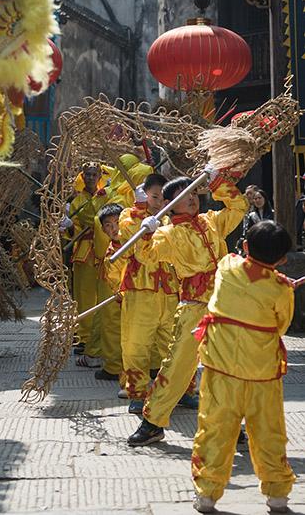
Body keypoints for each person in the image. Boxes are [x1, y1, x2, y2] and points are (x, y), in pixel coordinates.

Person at [127, 165, 248, 446]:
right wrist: (146, 231)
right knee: (177, 366)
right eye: (183, 195)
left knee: (228, 365)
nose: (192, 198)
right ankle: (153, 422)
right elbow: (145, 256)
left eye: (193, 192)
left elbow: (238, 206)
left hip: (224, 303)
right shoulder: (169, 233)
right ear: (170, 205)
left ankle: (231, 423)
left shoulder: (212, 220)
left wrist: (218, 180)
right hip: (194, 306)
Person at [191, 221, 296, 514]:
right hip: (262, 373)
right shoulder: (280, 290)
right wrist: (281, 283)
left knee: (214, 430)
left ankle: (207, 495)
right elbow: (281, 325)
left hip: (221, 370)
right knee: (269, 432)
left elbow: (238, 265)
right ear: (282, 259)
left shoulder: (226, 267)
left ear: (246, 246)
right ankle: (277, 497)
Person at [117, 174, 180, 415]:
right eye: (154, 197)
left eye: (164, 198)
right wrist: (141, 211)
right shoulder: (129, 215)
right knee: (136, 344)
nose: (159, 202)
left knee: (174, 343)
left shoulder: (173, 217)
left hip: (171, 289)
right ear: (144, 195)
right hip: (140, 289)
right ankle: (138, 392)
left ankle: (180, 390)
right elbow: (126, 238)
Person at [61, 162, 114, 367]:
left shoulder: (107, 195)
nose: (91, 177)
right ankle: (84, 338)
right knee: (83, 296)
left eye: (94, 174)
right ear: (83, 175)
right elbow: (74, 227)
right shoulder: (78, 200)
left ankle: (98, 339)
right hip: (84, 251)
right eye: (88, 174)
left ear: (100, 175)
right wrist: (69, 226)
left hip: (105, 248)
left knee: (102, 296)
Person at [95, 203, 126, 384]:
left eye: (117, 222)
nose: (114, 228)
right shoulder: (110, 251)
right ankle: (114, 366)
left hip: (137, 293)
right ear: (103, 229)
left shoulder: (136, 241)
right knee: (112, 326)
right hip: (117, 293)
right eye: (108, 225)